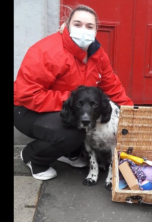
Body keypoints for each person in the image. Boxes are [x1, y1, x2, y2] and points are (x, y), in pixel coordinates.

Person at [14, 4, 133, 181]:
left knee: (86, 116)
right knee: (77, 128)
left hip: (66, 108)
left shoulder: (97, 54)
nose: (83, 30)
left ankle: (68, 153)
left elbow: (112, 88)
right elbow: (27, 94)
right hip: (26, 110)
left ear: (96, 29)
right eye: (77, 24)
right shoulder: (47, 51)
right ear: (66, 25)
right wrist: (72, 100)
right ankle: (33, 156)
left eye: (89, 26)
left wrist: (132, 115)